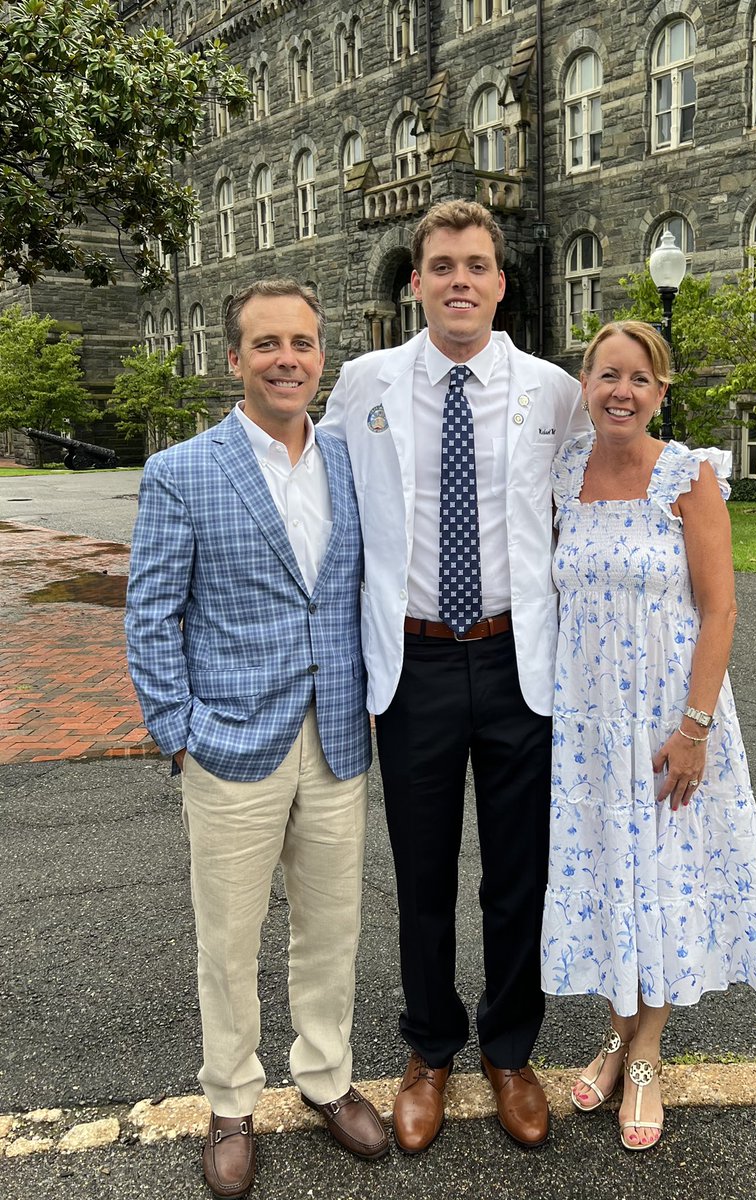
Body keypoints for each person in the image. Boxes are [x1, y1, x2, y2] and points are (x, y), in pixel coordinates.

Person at [319, 199, 589, 1152]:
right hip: (416, 659)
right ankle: (429, 1048)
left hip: (522, 661)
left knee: (520, 874)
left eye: (477, 264)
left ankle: (509, 1051)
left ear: (501, 282)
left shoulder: (554, 391)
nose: (460, 280)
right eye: (442, 265)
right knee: (423, 874)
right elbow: (326, 508)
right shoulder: (364, 385)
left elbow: (597, 507)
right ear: (419, 279)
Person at [125, 280, 388, 1199]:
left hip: (338, 740)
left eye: (304, 343)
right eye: (267, 343)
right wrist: (180, 731)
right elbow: (151, 612)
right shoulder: (182, 471)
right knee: (228, 941)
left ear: (324, 356)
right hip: (229, 743)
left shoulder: (354, 461)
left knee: (331, 930)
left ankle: (324, 1077)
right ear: (234, 358)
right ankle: (231, 1102)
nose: (288, 359)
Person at [540, 320, 756, 1151]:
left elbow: (721, 607)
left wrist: (695, 728)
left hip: (667, 721)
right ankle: (618, 1028)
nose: (622, 390)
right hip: (586, 725)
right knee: (611, 871)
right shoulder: (566, 471)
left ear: (661, 391)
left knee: (663, 871)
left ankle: (645, 1051)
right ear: (585, 383)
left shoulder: (689, 476)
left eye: (640, 378)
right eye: (608, 373)